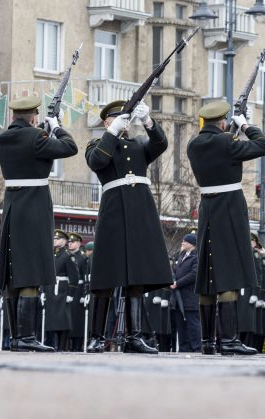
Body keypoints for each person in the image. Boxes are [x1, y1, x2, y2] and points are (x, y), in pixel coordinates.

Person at [86, 99, 172, 354]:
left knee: (136, 278)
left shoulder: (137, 145)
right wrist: (111, 133)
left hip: (139, 212)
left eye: (124, 118)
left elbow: (161, 144)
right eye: (114, 119)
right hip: (113, 212)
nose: (121, 123)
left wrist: (148, 122)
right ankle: (96, 337)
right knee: (105, 278)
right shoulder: (97, 144)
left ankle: (135, 336)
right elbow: (97, 161)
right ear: (106, 122)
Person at [186, 100, 265, 355]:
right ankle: (230, 340)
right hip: (230, 209)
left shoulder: (194, 144)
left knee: (209, 273)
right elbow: (264, 145)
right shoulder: (227, 142)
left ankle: (208, 342)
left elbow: (221, 155)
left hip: (207, 210)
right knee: (230, 273)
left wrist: (231, 133)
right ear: (223, 122)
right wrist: (245, 125)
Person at [0, 95, 78, 352]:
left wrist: (41, 130)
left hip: (11, 207)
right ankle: (26, 337)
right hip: (34, 208)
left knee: (12, 273)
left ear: (12, 116)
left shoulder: (2, 139)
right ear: (33, 117)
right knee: (30, 274)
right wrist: (55, 126)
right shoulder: (37, 138)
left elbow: (29, 148)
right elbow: (70, 146)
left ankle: (15, 338)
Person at [43, 229, 78, 351]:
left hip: (62, 289)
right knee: (52, 318)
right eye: (54, 239)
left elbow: (74, 277)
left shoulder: (68, 256)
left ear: (64, 241)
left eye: (57, 239)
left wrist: (71, 293)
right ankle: (51, 345)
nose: (54, 241)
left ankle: (62, 346)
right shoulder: (52, 254)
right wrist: (43, 291)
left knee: (63, 318)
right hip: (51, 289)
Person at [171, 233, 200, 352]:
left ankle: (197, 348)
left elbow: (194, 274)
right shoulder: (181, 255)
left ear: (192, 244)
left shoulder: (196, 257)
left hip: (189, 296)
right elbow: (176, 271)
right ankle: (184, 348)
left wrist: (178, 283)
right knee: (180, 325)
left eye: (185, 241)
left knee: (193, 324)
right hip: (178, 297)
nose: (182, 243)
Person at [67, 233, 90, 351]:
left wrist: (85, 294)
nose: (70, 243)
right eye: (69, 242)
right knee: (68, 318)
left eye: (73, 242)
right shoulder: (67, 256)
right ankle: (67, 344)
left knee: (77, 320)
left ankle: (77, 345)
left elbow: (86, 277)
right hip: (68, 289)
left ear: (79, 243)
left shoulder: (82, 257)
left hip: (78, 291)